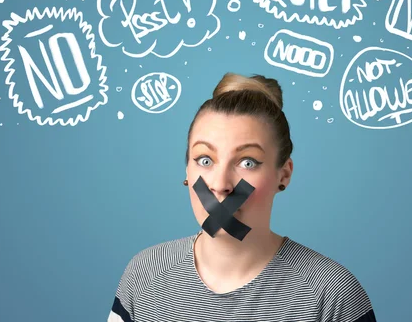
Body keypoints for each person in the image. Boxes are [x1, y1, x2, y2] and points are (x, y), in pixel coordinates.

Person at [108, 72, 377, 322]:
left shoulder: (331, 296)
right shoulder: (144, 276)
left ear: (283, 175)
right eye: (205, 159)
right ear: (186, 171)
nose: (221, 185)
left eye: (248, 162)